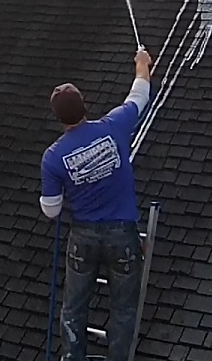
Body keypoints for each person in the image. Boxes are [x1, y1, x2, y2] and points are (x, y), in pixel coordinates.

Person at [40, 48, 152, 361]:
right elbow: (140, 94)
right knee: (124, 307)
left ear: (58, 117)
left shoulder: (53, 157)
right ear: (84, 105)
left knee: (74, 307)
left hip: (83, 239)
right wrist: (142, 63)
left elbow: (50, 210)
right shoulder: (113, 126)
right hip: (122, 236)